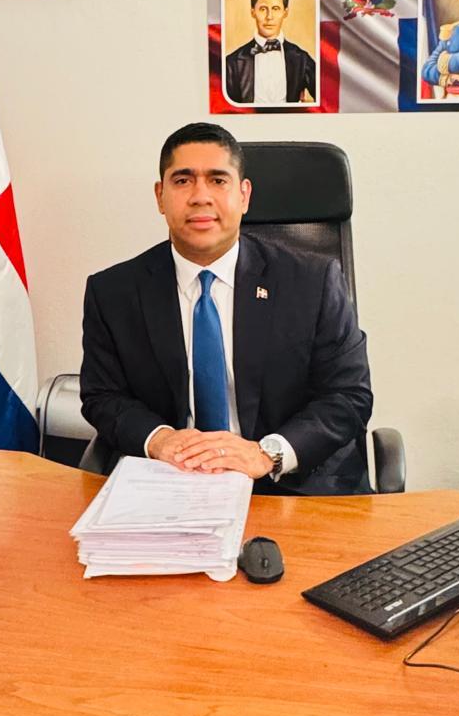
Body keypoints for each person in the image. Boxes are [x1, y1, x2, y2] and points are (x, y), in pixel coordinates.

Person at [79, 123, 373, 495]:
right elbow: (103, 396)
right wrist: (160, 439)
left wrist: (267, 454)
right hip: (172, 483)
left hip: (295, 485)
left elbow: (348, 396)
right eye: (182, 181)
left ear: (244, 195)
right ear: (160, 196)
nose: (200, 196)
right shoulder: (113, 292)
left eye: (218, 180)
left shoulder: (313, 281)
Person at [224, 0, 316, 105]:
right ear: (253, 12)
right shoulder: (232, 63)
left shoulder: (302, 59)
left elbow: (327, 101)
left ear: (285, 12)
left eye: (276, 8)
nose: (269, 17)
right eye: (263, 9)